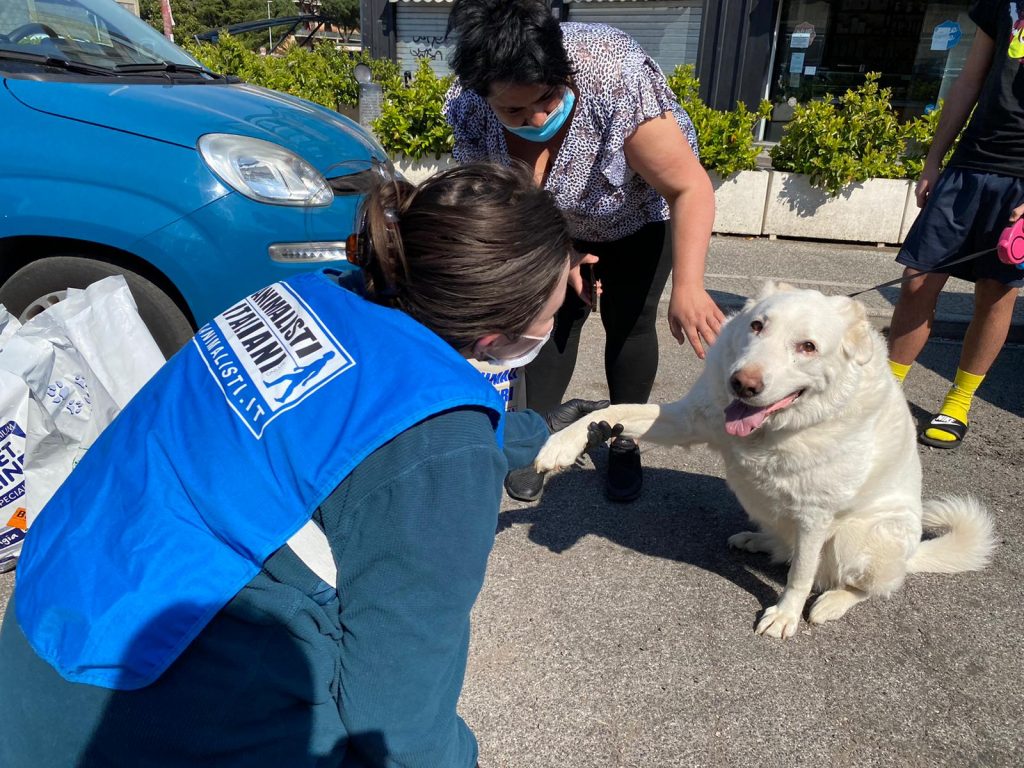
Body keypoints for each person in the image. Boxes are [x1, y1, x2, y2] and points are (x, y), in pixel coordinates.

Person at [0, 162, 612, 768]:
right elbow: (398, 717)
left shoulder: (309, 295)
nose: (555, 321)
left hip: (46, 635)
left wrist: (535, 433)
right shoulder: (443, 451)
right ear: (493, 338)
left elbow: (382, 405)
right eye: (553, 310)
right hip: (146, 719)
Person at [442, 0, 723, 504]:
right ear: (483, 97)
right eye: (514, 110)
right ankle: (540, 438)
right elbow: (503, 202)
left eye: (548, 97)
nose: (538, 115)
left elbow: (689, 188)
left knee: (630, 322)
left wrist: (690, 285)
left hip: (636, 212)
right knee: (552, 323)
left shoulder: (613, 74)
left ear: (564, 70)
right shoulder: (467, 108)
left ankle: (624, 441)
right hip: (551, 220)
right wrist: (562, 253)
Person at [887, 0, 1024, 449]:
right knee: (917, 280)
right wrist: (933, 159)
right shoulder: (1005, 3)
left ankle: (958, 401)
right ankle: (885, 394)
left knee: (995, 293)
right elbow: (969, 79)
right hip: (971, 163)